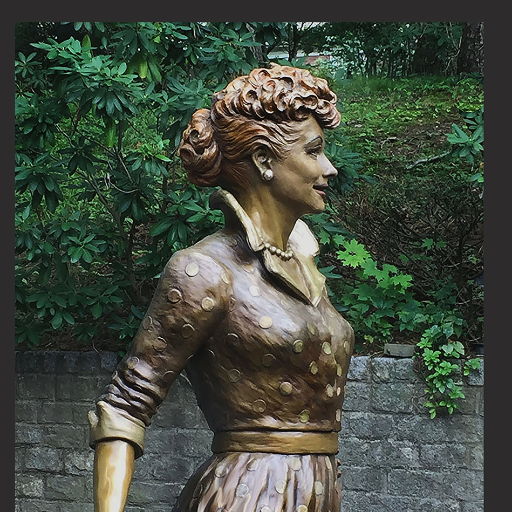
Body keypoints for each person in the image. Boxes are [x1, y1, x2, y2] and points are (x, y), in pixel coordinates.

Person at [89, 64, 355, 512]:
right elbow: (124, 406)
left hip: (317, 492)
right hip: (247, 495)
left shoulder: (307, 267)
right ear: (265, 161)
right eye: (314, 152)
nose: (328, 167)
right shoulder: (205, 270)